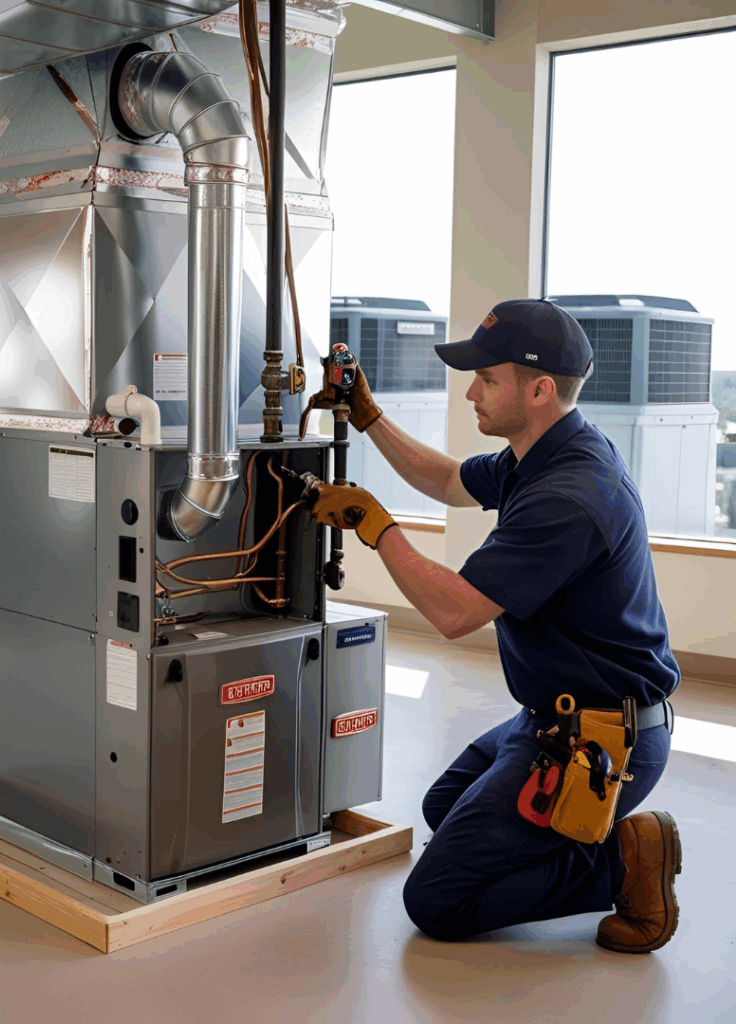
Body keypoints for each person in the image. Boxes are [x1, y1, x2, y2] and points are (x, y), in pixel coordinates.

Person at [302, 298, 681, 952]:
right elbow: (449, 480)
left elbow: (455, 612)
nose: (472, 392)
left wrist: (375, 526)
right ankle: (578, 846)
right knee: (440, 811)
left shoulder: (570, 496)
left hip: (600, 740)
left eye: (488, 379)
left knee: (438, 900)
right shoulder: (540, 452)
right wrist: (369, 419)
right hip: (549, 715)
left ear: (537, 390)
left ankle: (622, 860)